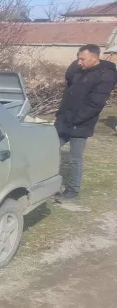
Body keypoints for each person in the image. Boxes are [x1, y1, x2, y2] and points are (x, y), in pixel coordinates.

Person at [54, 44, 117, 200]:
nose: (79, 62)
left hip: (80, 123)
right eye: (78, 58)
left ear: (94, 58)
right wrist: (77, 63)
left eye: (82, 59)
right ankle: (48, 183)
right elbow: (68, 77)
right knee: (49, 149)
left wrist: (77, 120)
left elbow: (96, 103)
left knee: (75, 157)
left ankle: (72, 190)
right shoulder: (80, 69)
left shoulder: (106, 74)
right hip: (64, 119)